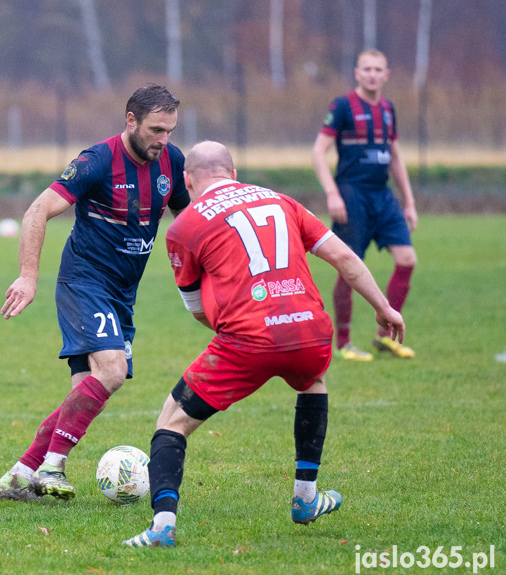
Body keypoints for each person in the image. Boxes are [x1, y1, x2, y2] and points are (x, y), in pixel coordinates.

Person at [122, 142, 405, 548]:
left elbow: (199, 309)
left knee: (172, 421)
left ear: (187, 180)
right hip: (309, 330)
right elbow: (343, 257)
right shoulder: (282, 200)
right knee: (312, 381)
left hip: (246, 339)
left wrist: (243, 335)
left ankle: (162, 526)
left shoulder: (183, 227)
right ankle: (305, 497)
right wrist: (383, 307)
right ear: (233, 171)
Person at [0, 84, 191, 501]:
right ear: (130, 121)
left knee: (89, 388)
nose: (163, 140)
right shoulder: (97, 161)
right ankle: (52, 468)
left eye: (170, 130)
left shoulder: (171, 161)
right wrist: (29, 277)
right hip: (84, 282)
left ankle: (18, 475)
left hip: (123, 293)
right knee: (113, 371)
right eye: (156, 129)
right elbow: (37, 210)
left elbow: (189, 220)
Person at [312, 48, 417, 361]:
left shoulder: (388, 109)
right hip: (351, 194)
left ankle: (386, 336)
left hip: (382, 195)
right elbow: (319, 152)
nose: (372, 74)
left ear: (386, 75)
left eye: (378, 69)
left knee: (407, 259)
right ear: (357, 73)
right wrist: (332, 193)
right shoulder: (343, 106)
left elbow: (395, 157)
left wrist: (409, 202)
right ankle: (344, 342)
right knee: (349, 267)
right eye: (366, 69)